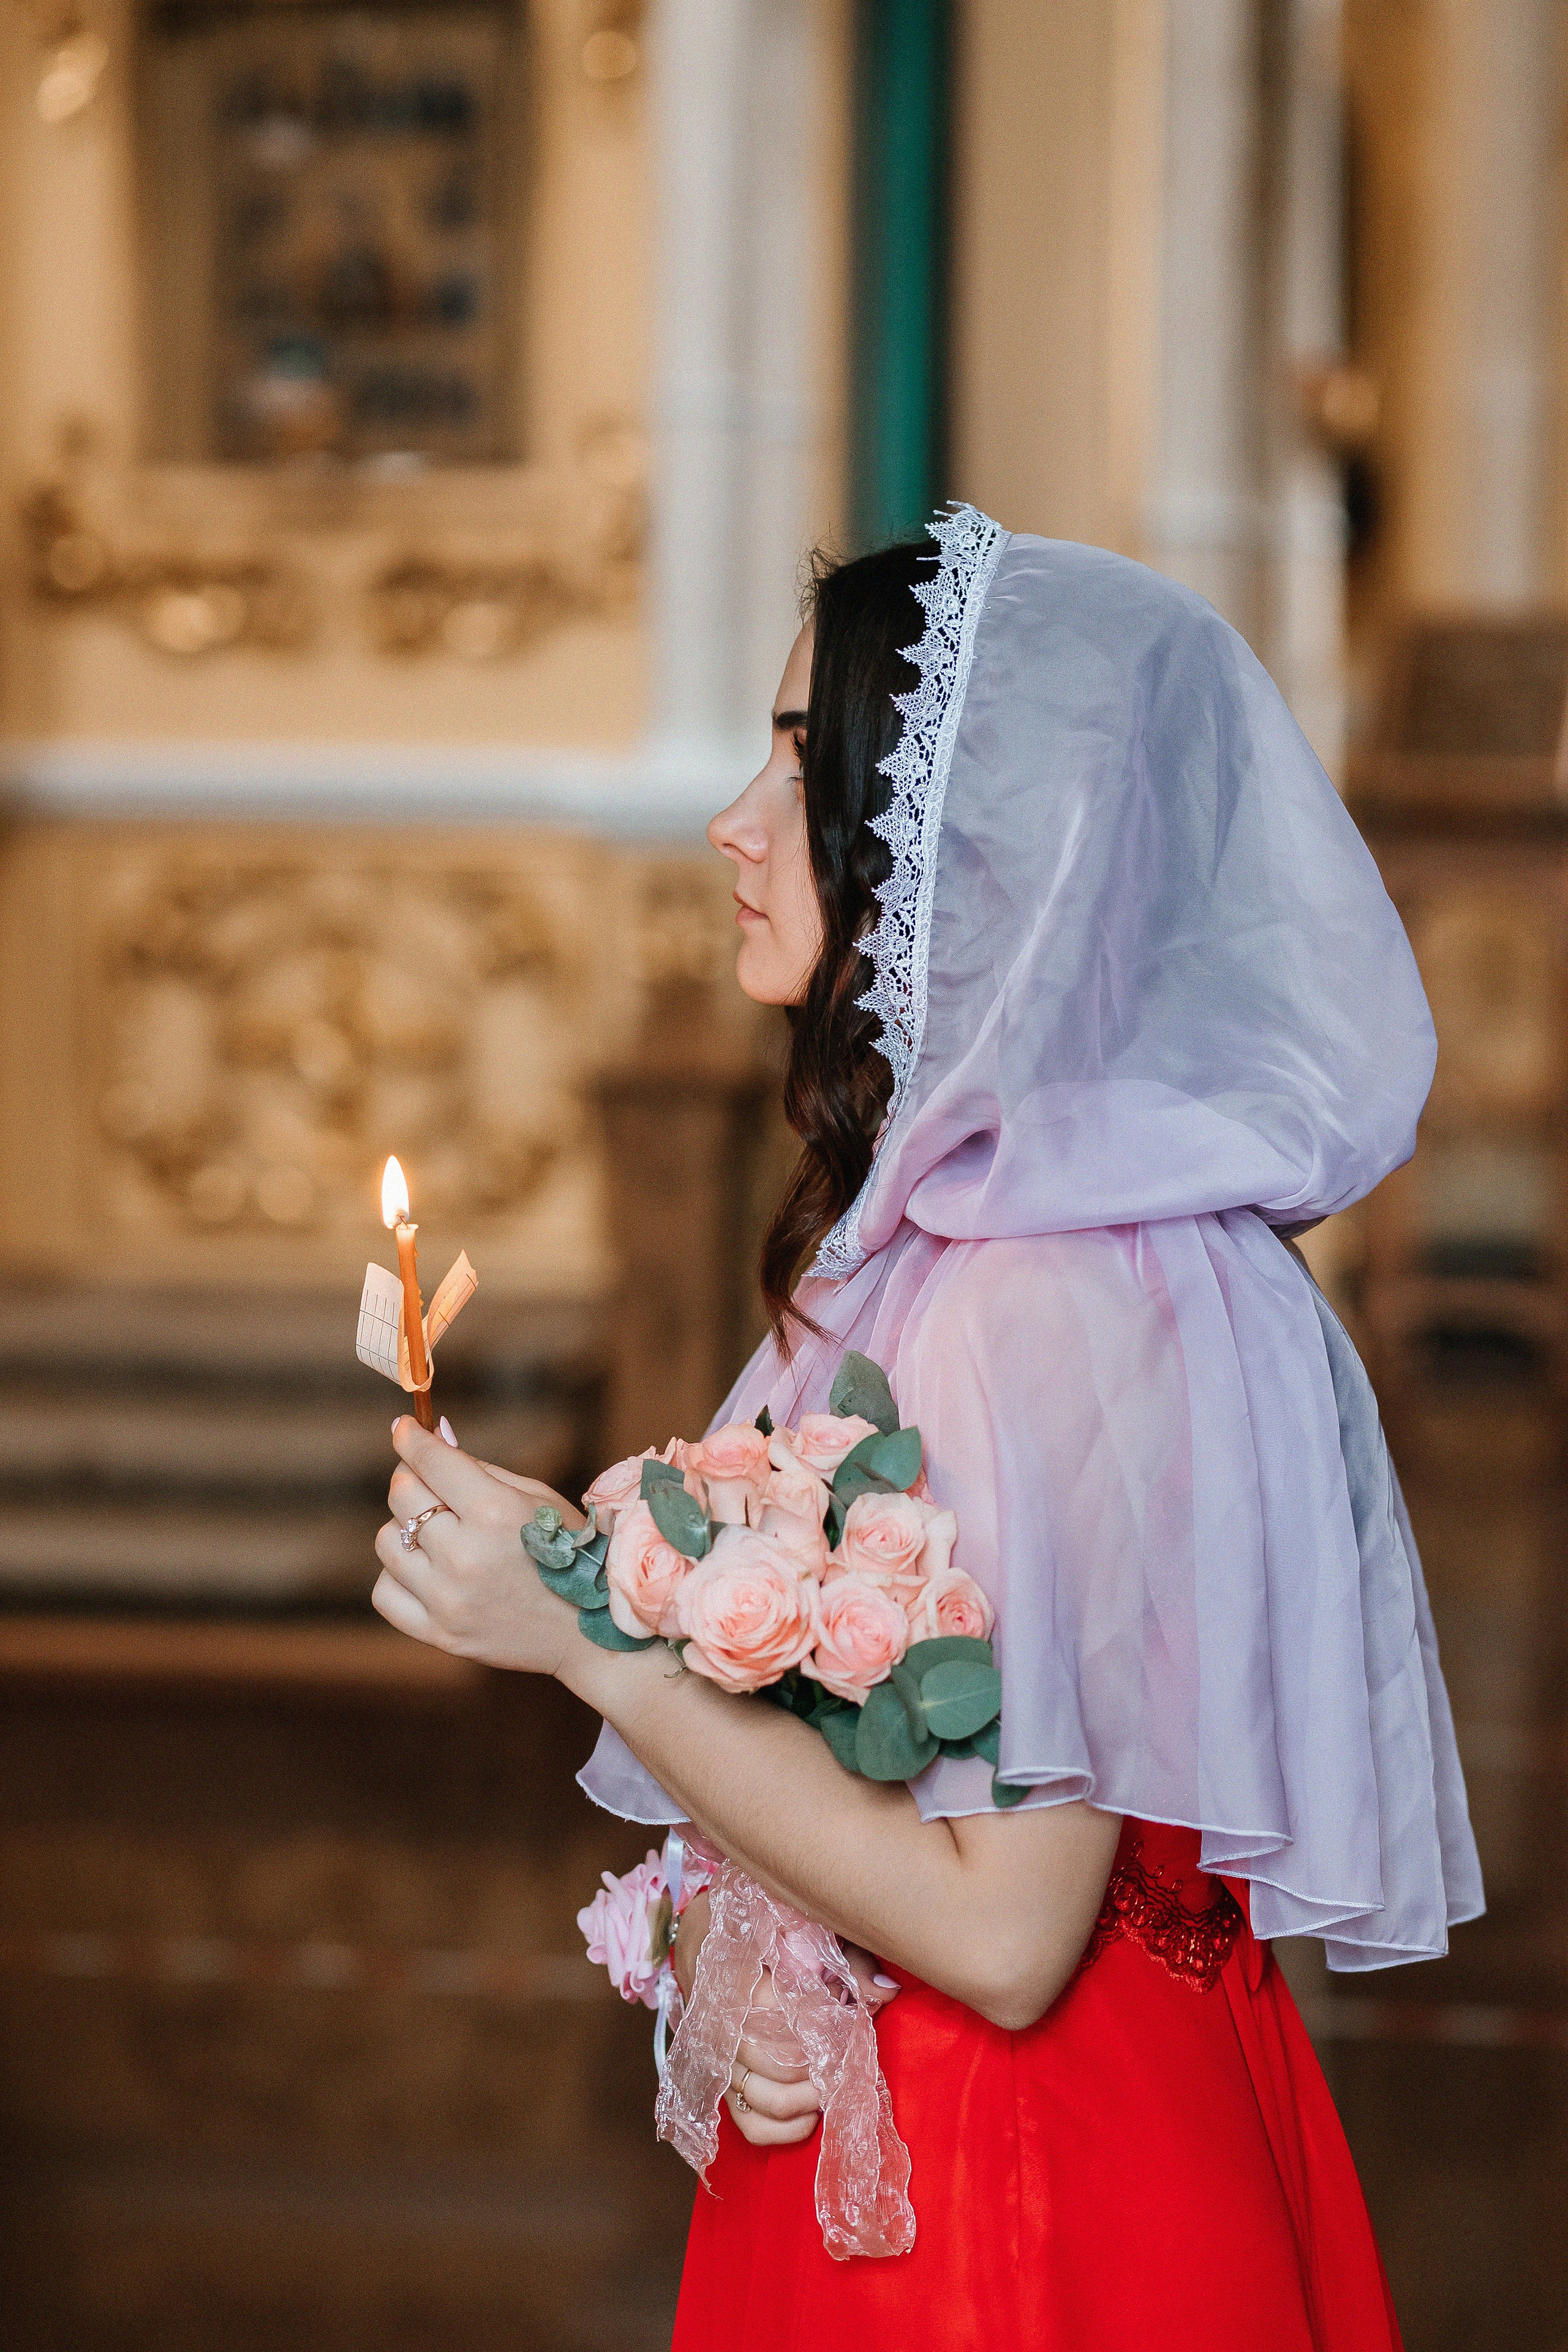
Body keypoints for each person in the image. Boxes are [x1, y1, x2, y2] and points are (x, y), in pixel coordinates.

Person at [372, 507, 1483, 2350]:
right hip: (1012, 2115)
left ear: (966, 853)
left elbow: (1003, 1930)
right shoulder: (990, 1239)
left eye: (806, 769)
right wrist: (756, 1953)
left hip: (1014, 2195)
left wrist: (591, 1644)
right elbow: (903, 1780)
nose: (736, 821)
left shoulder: (1033, 1297)